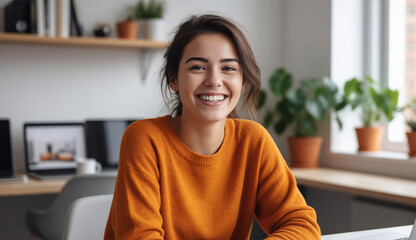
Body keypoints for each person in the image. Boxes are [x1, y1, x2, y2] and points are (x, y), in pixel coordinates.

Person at [104, 14, 321, 239]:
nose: (214, 80)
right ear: (173, 79)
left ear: (243, 80)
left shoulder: (253, 140)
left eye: (228, 68)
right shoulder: (144, 138)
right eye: (198, 67)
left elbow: (301, 224)